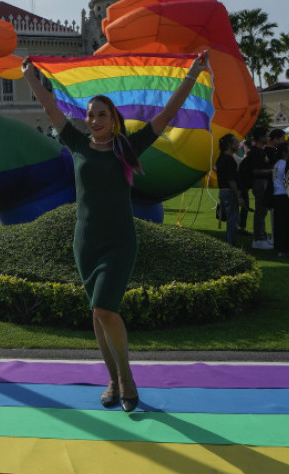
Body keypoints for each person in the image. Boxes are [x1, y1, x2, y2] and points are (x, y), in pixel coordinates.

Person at [23, 51, 208, 413]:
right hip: (85, 241)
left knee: (106, 307)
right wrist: (30, 76)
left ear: (113, 119)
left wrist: (191, 75)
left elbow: (166, 116)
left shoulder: (127, 146)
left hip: (119, 241)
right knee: (98, 312)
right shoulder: (76, 143)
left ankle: (126, 378)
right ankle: (112, 379)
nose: (93, 120)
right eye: (90, 115)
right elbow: (50, 109)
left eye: (101, 115)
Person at [242, 126, 274, 249]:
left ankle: (262, 236)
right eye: (266, 136)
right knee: (260, 211)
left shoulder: (260, 151)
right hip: (260, 183)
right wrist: (272, 171)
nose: (268, 138)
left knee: (263, 211)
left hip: (262, 182)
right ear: (261, 137)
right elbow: (255, 171)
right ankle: (259, 238)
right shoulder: (256, 152)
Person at [270, 141, 289, 257]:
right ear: (284, 152)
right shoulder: (286, 164)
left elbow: (274, 179)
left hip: (277, 194)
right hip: (285, 195)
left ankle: (281, 247)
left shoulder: (276, 164)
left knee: (280, 223)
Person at [215, 134, 242, 246]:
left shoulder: (220, 158)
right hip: (229, 192)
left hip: (223, 191)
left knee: (231, 219)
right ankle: (231, 243)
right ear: (229, 145)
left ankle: (230, 241)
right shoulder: (228, 159)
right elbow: (231, 180)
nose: (238, 144)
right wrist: (239, 195)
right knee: (232, 220)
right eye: (236, 142)